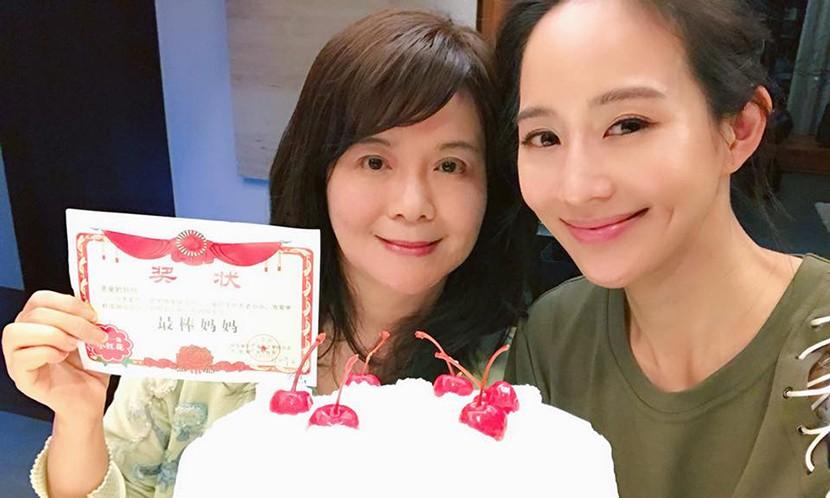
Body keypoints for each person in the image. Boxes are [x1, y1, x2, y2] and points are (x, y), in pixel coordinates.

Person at [2, 10, 528, 497]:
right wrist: (78, 417)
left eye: (451, 166)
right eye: (374, 162)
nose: (412, 205)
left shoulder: (520, 375)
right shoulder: (201, 328)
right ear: (319, 172)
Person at [496, 1, 830, 496]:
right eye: (544, 137)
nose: (577, 188)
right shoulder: (552, 338)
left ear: (738, 130)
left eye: (628, 125)